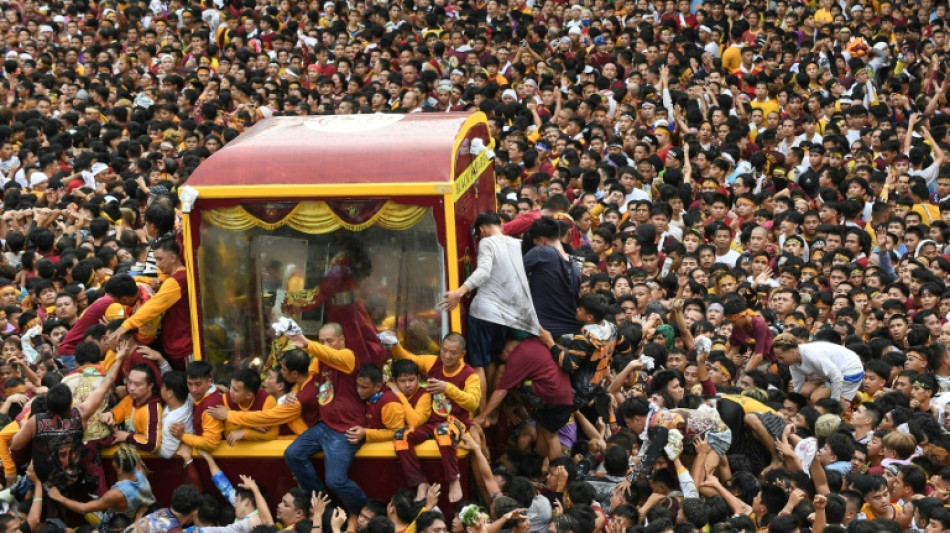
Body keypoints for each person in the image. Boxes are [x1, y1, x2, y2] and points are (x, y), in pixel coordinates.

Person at [440, 212, 540, 409]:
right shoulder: (515, 243)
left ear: (482, 230)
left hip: (484, 313)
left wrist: (459, 293)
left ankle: (481, 413)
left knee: (478, 364)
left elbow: (483, 272)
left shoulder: (487, 242)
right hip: (505, 317)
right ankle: (491, 412)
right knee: (492, 360)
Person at [385, 331, 480, 503]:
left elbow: (473, 403)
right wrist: (395, 345)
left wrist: (448, 388)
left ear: (462, 354)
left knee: (443, 431)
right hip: (431, 422)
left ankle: (453, 479)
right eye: (444, 350)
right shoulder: (433, 362)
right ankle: (420, 482)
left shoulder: (470, 374)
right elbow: (407, 357)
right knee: (401, 436)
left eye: (453, 352)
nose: (447, 356)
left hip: (455, 423)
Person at [772, 333, 865, 409]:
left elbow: (837, 377)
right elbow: (798, 387)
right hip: (829, 371)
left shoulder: (813, 356)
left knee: (816, 398)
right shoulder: (793, 363)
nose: (780, 361)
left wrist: (834, 403)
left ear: (792, 352)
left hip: (849, 371)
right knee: (804, 391)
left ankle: (844, 399)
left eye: (781, 358)